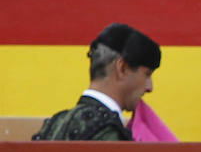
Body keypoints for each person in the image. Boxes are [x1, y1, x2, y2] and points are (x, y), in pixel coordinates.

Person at [32, 24, 163, 142]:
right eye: (147, 74)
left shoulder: (52, 124)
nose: (149, 87)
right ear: (122, 68)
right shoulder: (108, 132)